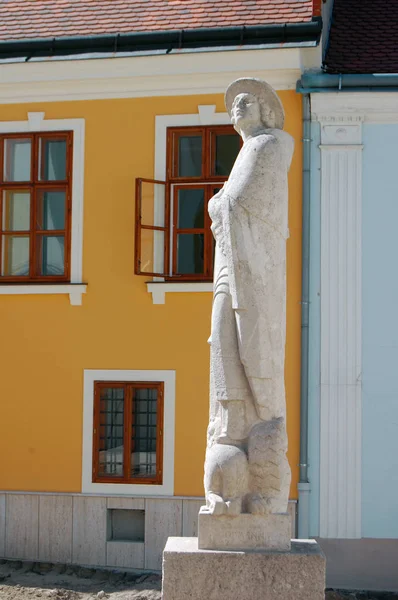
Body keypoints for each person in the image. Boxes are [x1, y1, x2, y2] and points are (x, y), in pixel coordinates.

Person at [204, 78, 294, 516]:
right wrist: (221, 204)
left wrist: (217, 205)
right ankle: (228, 427)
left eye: (248, 100)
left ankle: (254, 441)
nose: (238, 105)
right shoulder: (246, 150)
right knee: (221, 341)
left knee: (245, 342)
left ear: (266, 111)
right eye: (234, 102)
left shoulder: (270, 146)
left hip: (253, 270)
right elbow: (230, 203)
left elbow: (237, 204)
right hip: (230, 264)